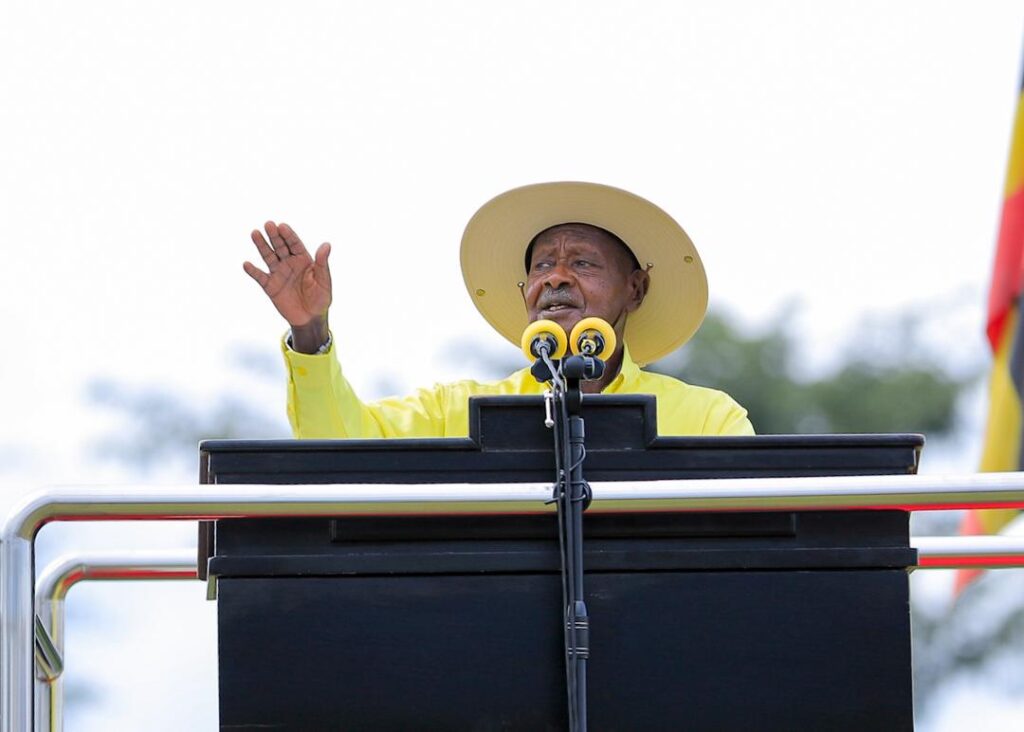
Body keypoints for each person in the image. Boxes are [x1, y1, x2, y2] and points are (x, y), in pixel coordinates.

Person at [243, 181, 753, 438]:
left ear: (636, 290)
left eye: (581, 262)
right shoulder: (461, 412)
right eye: (541, 266)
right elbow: (339, 444)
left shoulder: (709, 418)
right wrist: (311, 329)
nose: (555, 277)